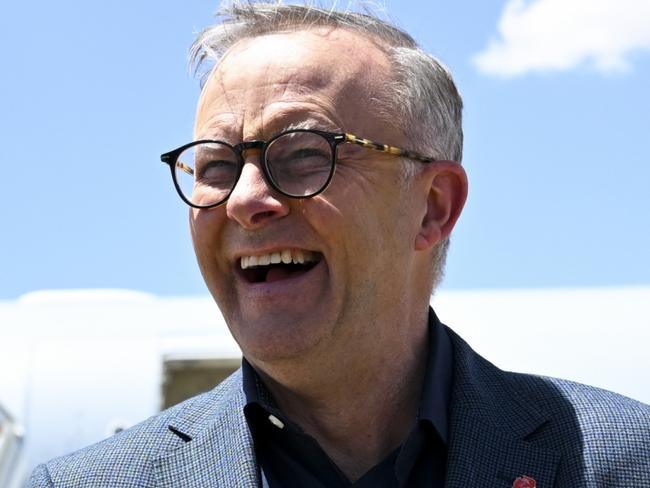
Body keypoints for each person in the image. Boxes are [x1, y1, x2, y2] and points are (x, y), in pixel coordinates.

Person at [29, 2, 650, 487]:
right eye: (216, 166)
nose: (246, 199)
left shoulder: (626, 461)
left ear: (432, 208)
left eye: (303, 156)